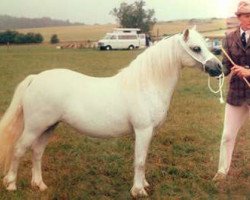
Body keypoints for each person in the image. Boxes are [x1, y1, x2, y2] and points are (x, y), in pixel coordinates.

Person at [213, 0, 250, 182]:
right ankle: (222, 171)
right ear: (239, 17)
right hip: (236, 95)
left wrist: (248, 72)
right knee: (227, 135)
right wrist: (217, 71)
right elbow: (226, 66)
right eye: (247, 15)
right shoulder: (228, 39)